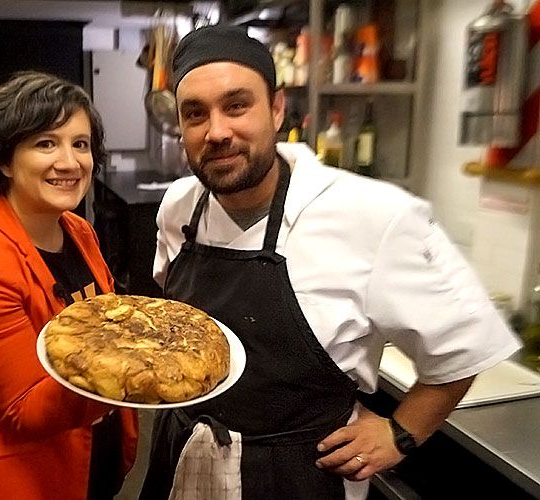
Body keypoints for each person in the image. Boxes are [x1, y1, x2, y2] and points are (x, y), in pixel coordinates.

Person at [139, 25, 521, 500]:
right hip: (184, 451)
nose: (217, 131)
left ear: (277, 109)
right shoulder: (180, 206)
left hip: (300, 474)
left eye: (237, 105)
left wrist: (401, 433)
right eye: (195, 114)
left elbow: (466, 342)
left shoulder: (373, 215)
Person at [0, 71, 138, 500]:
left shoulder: (78, 230)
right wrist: (142, 378)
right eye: (46, 143)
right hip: (23, 478)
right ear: (5, 160)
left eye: (80, 144)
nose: (69, 161)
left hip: (93, 464)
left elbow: (106, 326)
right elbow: (29, 406)